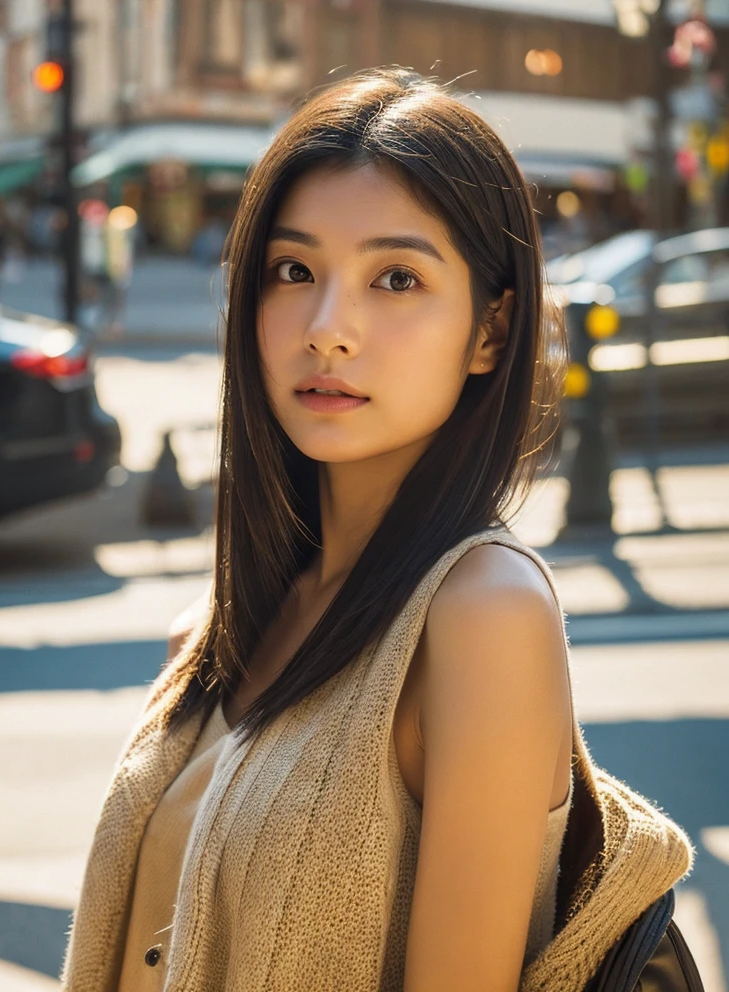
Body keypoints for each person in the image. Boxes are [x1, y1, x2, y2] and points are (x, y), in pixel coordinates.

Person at [60, 68, 694, 992]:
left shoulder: (482, 616)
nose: (328, 329)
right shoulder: (217, 628)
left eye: (396, 278)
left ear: (491, 329)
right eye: (294, 271)